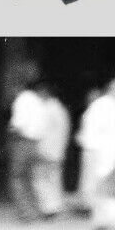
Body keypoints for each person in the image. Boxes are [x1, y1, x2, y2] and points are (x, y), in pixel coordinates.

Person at [77, 77, 115, 230]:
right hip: (101, 153)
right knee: (101, 189)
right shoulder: (99, 106)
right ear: (111, 88)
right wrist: (94, 152)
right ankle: (103, 221)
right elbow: (91, 131)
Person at [8, 75, 48, 222]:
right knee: (29, 178)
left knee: (17, 178)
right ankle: (36, 211)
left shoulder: (22, 100)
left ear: (17, 87)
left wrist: (11, 132)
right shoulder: (38, 101)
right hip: (36, 143)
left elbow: (18, 124)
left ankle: (25, 213)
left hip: (22, 142)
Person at [33, 83, 71, 219]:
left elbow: (41, 131)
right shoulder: (60, 109)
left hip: (46, 149)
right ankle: (54, 206)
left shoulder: (48, 109)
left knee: (42, 179)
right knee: (53, 179)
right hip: (56, 150)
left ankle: (47, 208)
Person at [74, 88, 102, 215]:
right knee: (88, 178)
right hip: (89, 148)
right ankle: (87, 204)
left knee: (91, 179)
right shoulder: (90, 112)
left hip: (93, 149)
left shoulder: (95, 112)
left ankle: (89, 206)